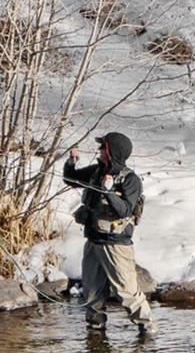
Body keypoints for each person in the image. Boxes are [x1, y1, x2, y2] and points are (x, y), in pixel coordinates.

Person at [64, 132, 152, 334]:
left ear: (112, 151)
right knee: (92, 293)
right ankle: (96, 330)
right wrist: (71, 162)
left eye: (103, 147)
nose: (99, 150)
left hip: (117, 245)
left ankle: (147, 328)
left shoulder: (131, 180)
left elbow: (125, 210)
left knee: (127, 292)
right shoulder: (97, 171)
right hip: (93, 242)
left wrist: (109, 191)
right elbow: (70, 179)